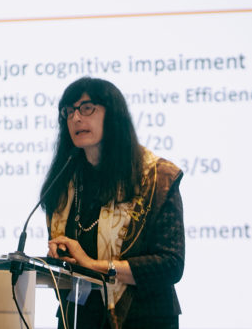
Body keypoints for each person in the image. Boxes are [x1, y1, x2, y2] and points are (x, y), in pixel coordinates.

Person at [41, 77, 185, 329]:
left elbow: (170, 265)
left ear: (114, 115)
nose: (75, 118)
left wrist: (94, 266)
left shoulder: (156, 178)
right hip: (79, 316)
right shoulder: (64, 183)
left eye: (86, 108)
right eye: (69, 111)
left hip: (143, 318)